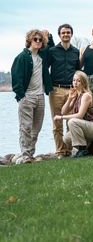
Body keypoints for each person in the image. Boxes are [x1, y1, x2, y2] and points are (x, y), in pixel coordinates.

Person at [11, 29, 53, 163]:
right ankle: (25, 155)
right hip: (27, 97)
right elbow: (16, 79)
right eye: (35, 39)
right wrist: (21, 96)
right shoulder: (22, 57)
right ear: (29, 40)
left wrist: (49, 36)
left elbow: (50, 49)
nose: (38, 42)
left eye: (40, 40)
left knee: (37, 128)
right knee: (26, 127)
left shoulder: (42, 56)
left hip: (40, 97)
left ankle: (30, 153)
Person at [47, 23, 80, 158]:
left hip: (72, 90)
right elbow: (44, 69)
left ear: (71, 34)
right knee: (57, 122)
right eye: (63, 33)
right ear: (59, 35)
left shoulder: (75, 52)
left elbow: (77, 70)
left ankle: (70, 150)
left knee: (71, 121)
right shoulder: (52, 51)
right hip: (56, 89)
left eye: (68, 32)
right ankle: (60, 151)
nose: (66, 34)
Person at [54, 71, 93, 157]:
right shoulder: (76, 96)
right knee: (66, 139)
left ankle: (82, 149)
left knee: (72, 122)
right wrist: (70, 98)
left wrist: (61, 117)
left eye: (78, 81)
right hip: (86, 127)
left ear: (83, 82)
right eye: (74, 80)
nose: (75, 83)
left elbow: (79, 115)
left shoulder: (86, 96)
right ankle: (92, 146)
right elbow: (63, 111)